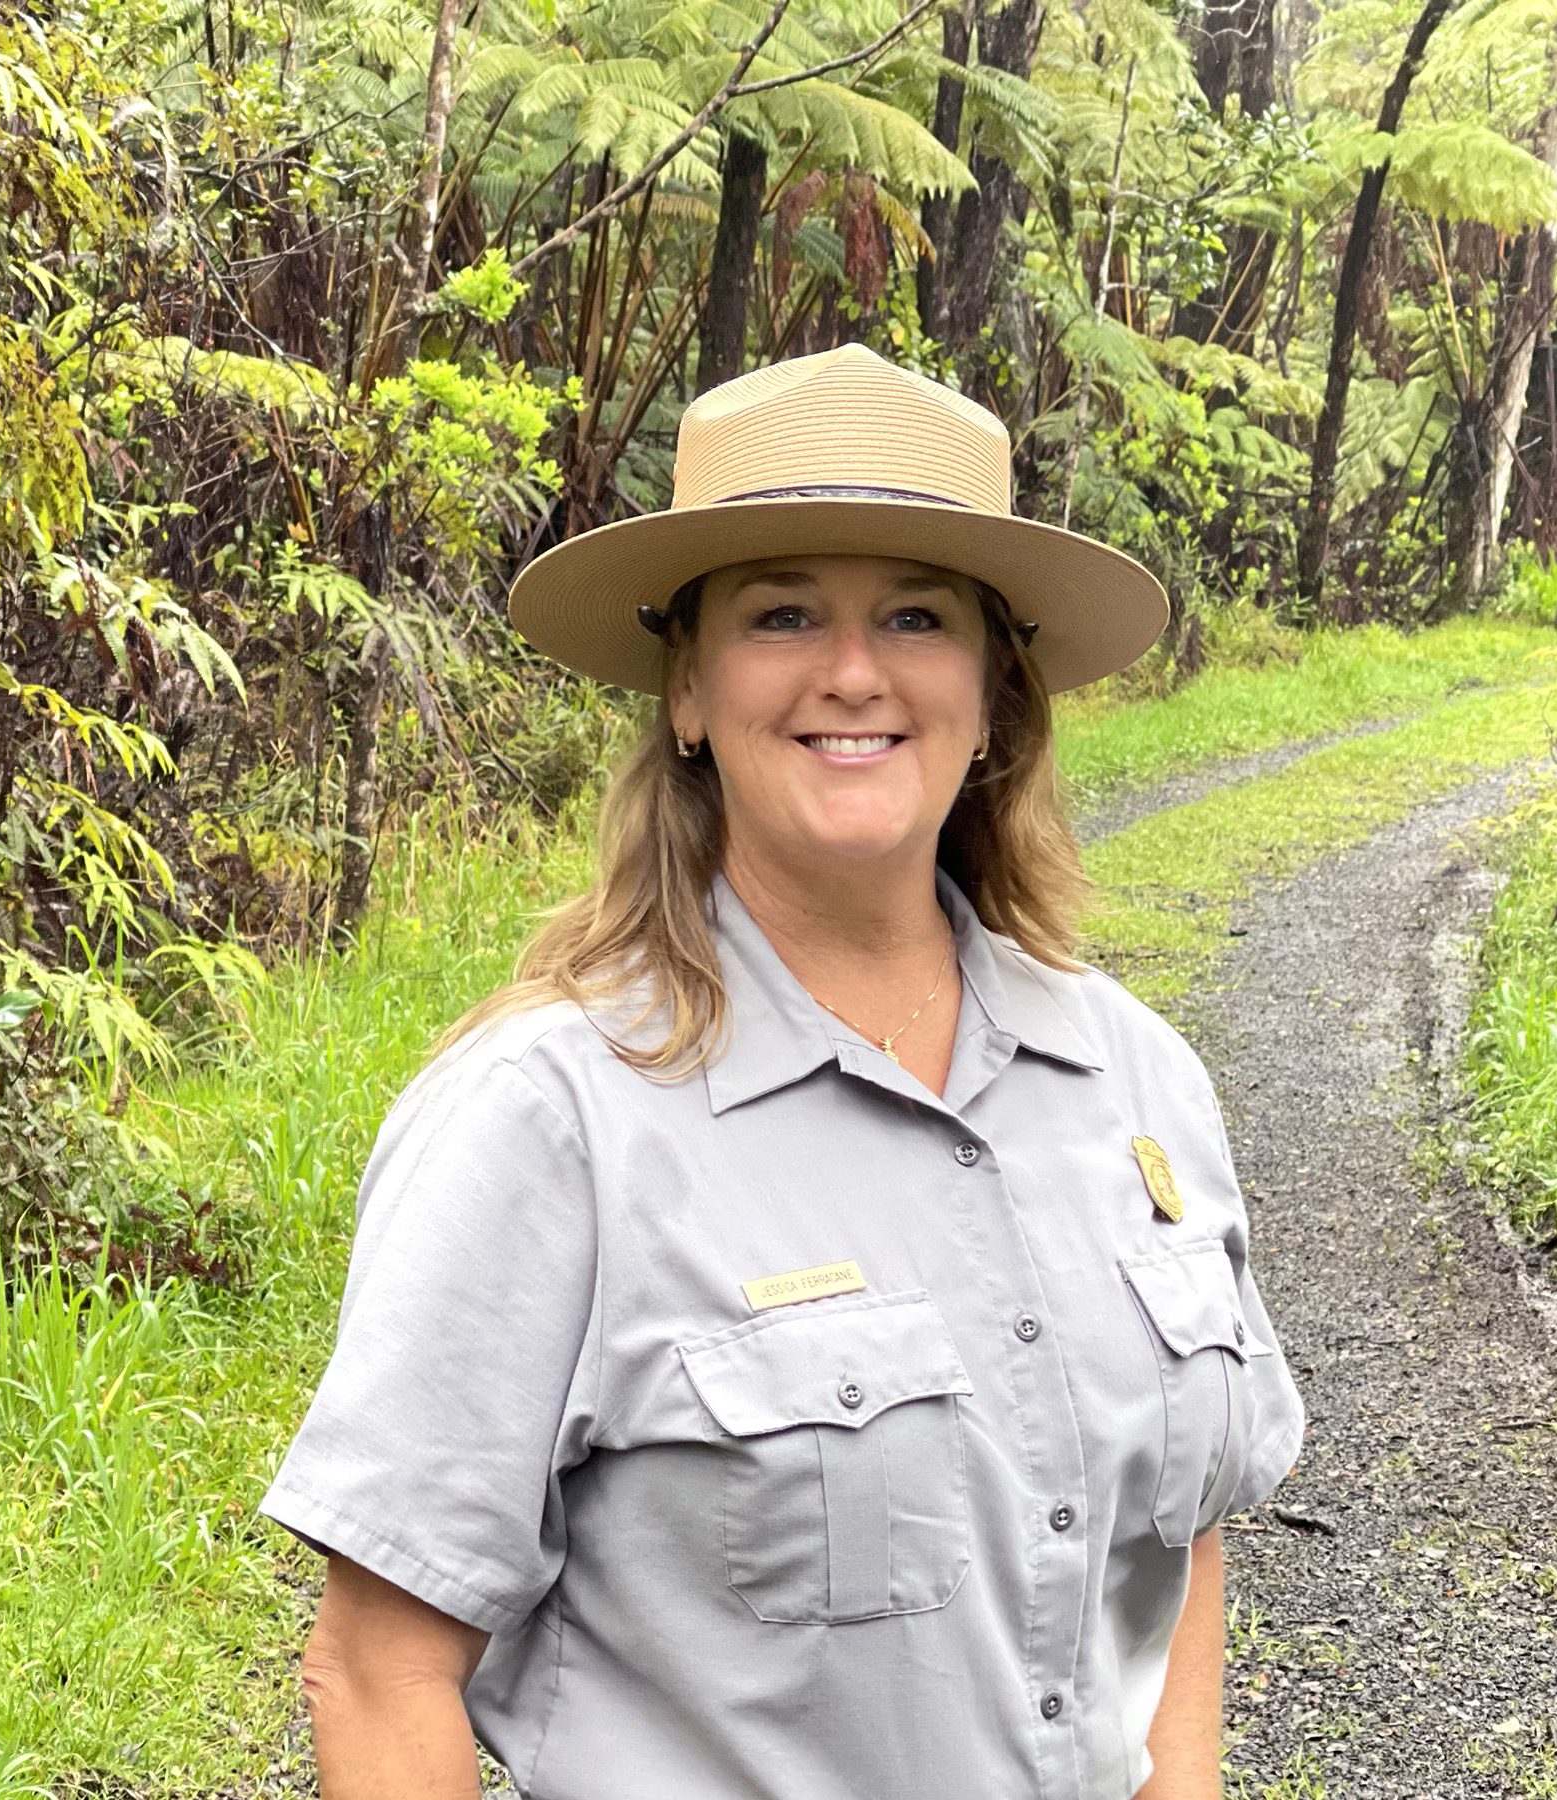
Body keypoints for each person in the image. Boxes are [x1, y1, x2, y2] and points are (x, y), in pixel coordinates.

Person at [259, 342, 1305, 1799]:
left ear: (997, 689)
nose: (855, 672)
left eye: (918, 615)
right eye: (785, 612)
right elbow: (379, 1672)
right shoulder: (551, 1119)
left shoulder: (1135, 1078)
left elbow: (1179, 1537)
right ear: (688, 686)